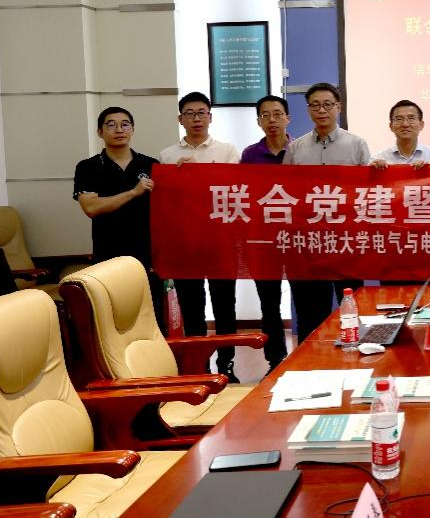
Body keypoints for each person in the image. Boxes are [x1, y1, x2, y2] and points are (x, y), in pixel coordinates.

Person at [160, 91, 241, 382]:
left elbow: (235, 190)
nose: (196, 118)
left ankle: (227, 366)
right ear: (180, 119)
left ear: (210, 117)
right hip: (185, 242)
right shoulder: (168, 156)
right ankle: (200, 367)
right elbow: (166, 201)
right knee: (192, 307)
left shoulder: (228, 150)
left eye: (201, 113)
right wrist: (178, 175)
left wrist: (204, 173)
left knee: (224, 306)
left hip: (220, 240)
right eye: (190, 113)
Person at [283, 83, 370, 342]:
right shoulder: (296, 148)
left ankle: (355, 354)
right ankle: (310, 360)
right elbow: (286, 190)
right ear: (308, 109)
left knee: (352, 307)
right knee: (313, 313)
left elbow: (368, 191)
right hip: (311, 241)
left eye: (328, 105)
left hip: (347, 240)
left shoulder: (357, 145)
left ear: (338, 107)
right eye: (315, 105)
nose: (322, 110)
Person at [73, 107, 166, 330]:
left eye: (125, 124)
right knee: (113, 319)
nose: (119, 130)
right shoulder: (88, 167)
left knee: (152, 318)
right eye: (111, 125)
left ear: (132, 130)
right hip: (108, 254)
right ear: (100, 132)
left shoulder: (150, 164)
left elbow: (167, 209)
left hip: (147, 256)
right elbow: (91, 208)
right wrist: (134, 192)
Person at [240, 95, 291, 372]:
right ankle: (276, 361)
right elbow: (244, 193)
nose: (272, 120)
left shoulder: (300, 150)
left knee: (306, 299)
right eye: (265, 115)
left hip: (297, 238)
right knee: (269, 303)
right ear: (259, 121)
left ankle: (306, 357)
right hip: (264, 238)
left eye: (277, 114)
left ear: (287, 118)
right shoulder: (250, 155)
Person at [369, 99, 430, 169]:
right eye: (399, 119)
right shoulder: (377, 159)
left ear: (421, 125)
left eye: (411, 118)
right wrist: (372, 173)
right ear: (391, 126)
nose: (405, 124)